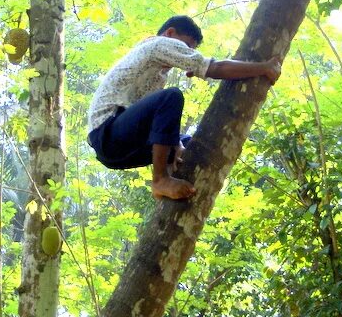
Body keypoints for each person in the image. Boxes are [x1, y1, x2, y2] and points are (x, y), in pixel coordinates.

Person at [87, 15, 282, 200]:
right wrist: (264, 68)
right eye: (186, 46)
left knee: (189, 144)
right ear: (170, 34)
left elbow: (153, 124)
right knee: (171, 97)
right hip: (107, 133)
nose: (186, 52)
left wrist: (176, 145)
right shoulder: (158, 44)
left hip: (122, 149)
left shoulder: (155, 73)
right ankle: (160, 180)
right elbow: (214, 68)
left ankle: (177, 188)